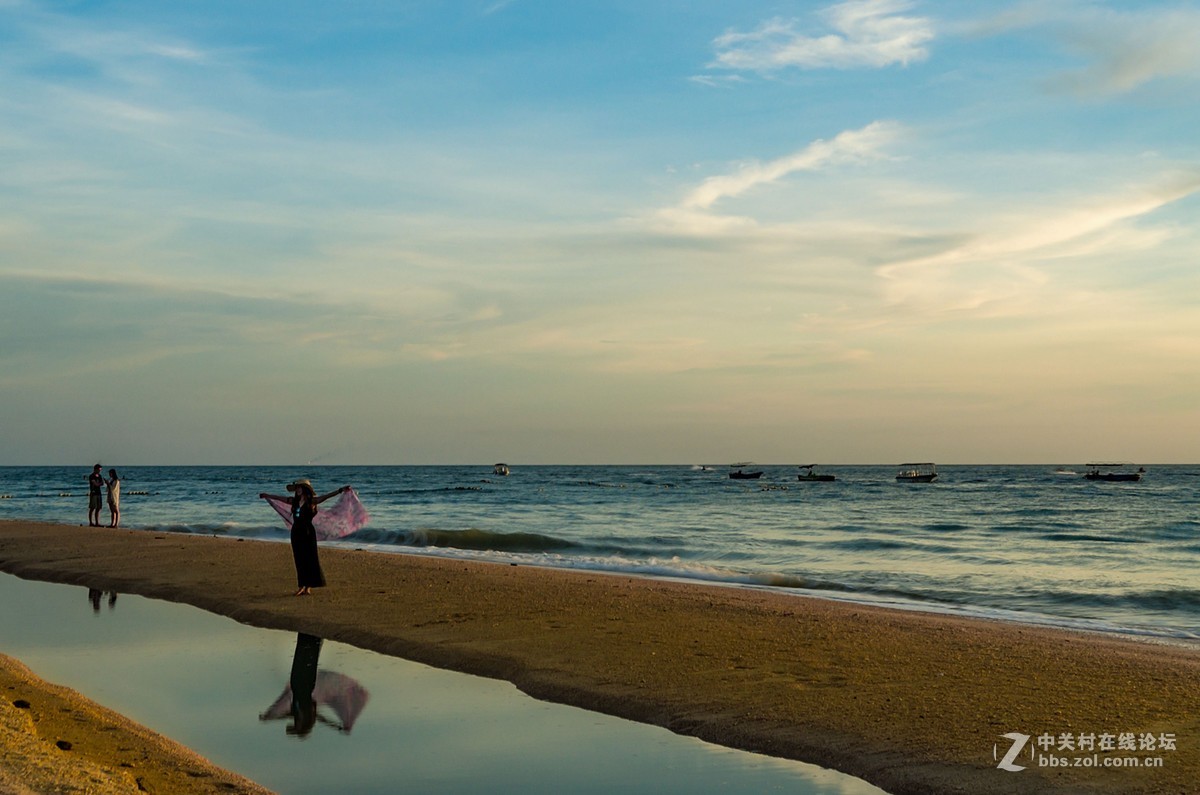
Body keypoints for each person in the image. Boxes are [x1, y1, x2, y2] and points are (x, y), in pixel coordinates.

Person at [258, 479, 349, 596]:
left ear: (306, 489)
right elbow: (279, 498)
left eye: (300, 487)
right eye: (297, 488)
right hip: (296, 532)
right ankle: (301, 586)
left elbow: (326, 497)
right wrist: (267, 495)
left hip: (308, 533)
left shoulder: (312, 501)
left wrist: (340, 490)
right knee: (299, 559)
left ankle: (308, 587)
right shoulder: (293, 501)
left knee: (310, 558)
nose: (297, 490)